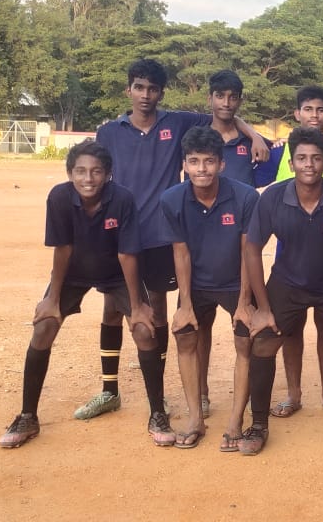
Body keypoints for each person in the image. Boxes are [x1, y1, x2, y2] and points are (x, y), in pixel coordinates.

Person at [86, 59, 267, 436]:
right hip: (123, 233)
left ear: (161, 93)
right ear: (128, 90)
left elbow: (223, 116)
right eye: (139, 87)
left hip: (161, 234)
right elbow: (97, 175)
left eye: (152, 89)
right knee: (113, 307)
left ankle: (165, 400)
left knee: (158, 312)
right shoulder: (109, 131)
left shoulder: (178, 122)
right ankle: (109, 390)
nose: (145, 95)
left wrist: (254, 135)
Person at [0, 141, 161, 448]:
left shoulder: (122, 199)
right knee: (44, 327)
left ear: (108, 174)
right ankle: (28, 416)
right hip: (73, 273)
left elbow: (127, 254)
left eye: (96, 171)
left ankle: (158, 414)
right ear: (70, 173)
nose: (88, 178)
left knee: (143, 329)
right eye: (81, 171)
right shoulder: (59, 197)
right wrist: (52, 300)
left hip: (117, 273)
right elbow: (63, 248)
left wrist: (138, 306)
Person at [241, 127, 323, 459]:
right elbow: (252, 248)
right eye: (301, 158)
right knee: (263, 340)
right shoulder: (272, 198)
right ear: (291, 162)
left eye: (315, 159)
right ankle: (258, 425)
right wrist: (263, 308)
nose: (308, 165)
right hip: (289, 282)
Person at [254, 85, 323, 421]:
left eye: (320, 109)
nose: (309, 164)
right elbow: (253, 186)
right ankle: (292, 395)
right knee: (286, 331)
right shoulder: (279, 156)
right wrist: (255, 137)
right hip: (290, 264)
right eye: (308, 108)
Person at [160, 127, 260, 451]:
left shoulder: (246, 197)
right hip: (197, 283)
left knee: (246, 338)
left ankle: (235, 421)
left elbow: (248, 251)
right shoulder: (172, 200)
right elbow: (181, 253)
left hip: (235, 281)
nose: (201, 169)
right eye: (194, 161)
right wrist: (185, 305)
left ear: (221, 164)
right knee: (185, 334)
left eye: (209, 161)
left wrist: (244, 302)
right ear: (184, 164)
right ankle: (195, 418)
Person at [192, 69, 267, 420]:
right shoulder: (196, 135)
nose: (226, 102)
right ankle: (202, 393)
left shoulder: (253, 146)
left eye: (232, 97)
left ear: (240, 100)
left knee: (245, 327)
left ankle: (246, 398)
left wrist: (254, 135)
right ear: (209, 98)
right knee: (199, 327)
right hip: (201, 249)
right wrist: (252, 129)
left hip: (241, 252)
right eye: (220, 96)